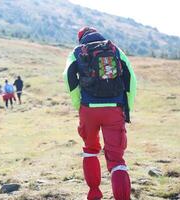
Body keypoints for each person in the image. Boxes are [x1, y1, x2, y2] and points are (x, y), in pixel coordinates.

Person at [63, 27, 137, 200]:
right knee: (117, 159)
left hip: (88, 108)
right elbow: (131, 78)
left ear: (80, 38)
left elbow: (69, 77)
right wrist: (127, 107)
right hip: (114, 108)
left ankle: (94, 193)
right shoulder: (115, 49)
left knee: (90, 150)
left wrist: (78, 105)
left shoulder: (76, 52)